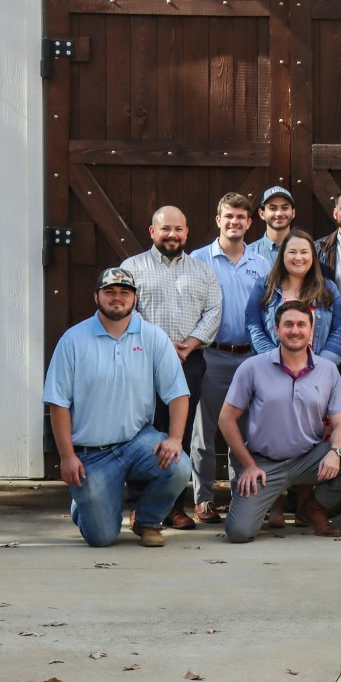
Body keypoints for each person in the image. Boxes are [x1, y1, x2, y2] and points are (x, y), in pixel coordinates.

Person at [44, 267, 192, 547]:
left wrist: (174, 439)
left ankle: (147, 520)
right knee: (101, 538)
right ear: (96, 296)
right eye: (109, 292)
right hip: (91, 455)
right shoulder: (73, 340)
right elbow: (58, 403)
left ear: (134, 298)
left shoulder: (153, 337)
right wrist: (66, 457)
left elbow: (178, 394)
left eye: (124, 292)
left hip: (138, 442)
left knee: (179, 465)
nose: (117, 298)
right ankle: (85, 503)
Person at [218, 301, 341, 542]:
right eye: (288, 324)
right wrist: (248, 464)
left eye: (302, 325)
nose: (295, 330)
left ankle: (312, 507)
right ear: (276, 329)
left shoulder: (328, 369)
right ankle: (261, 499)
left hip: (308, 459)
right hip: (263, 463)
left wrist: (335, 452)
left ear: (311, 331)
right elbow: (226, 419)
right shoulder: (253, 367)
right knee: (239, 533)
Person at [120, 205, 221, 530]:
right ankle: (139, 504)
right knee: (145, 430)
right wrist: (161, 346)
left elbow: (214, 310)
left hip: (188, 361)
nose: (172, 235)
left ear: (187, 232)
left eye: (178, 229)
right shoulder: (132, 268)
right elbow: (126, 312)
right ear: (153, 232)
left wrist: (191, 343)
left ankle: (173, 506)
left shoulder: (202, 270)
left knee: (181, 430)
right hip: (143, 359)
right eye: (166, 229)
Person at [192, 192, 269, 524]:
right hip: (211, 355)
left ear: (249, 223)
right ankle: (204, 498)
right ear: (218, 220)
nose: (234, 222)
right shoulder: (198, 260)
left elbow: (266, 312)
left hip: (250, 358)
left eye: (241, 217)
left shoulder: (261, 264)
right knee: (203, 432)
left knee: (246, 432)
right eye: (229, 216)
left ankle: (243, 496)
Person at [247, 231, 341, 366]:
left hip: (317, 371)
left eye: (304, 252)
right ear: (283, 255)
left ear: (312, 255)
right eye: (292, 252)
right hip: (272, 369)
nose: (298, 257)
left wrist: (321, 364)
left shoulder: (328, 288)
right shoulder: (264, 287)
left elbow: (339, 329)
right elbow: (253, 326)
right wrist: (275, 360)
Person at [254, 185, 296, 264]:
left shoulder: (307, 251)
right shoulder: (249, 253)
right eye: (273, 208)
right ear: (262, 214)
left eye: (285, 208)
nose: (279, 213)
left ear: (293, 213)